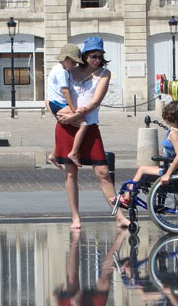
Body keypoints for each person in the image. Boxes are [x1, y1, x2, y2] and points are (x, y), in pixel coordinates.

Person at [54, 37, 130, 230]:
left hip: (89, 125)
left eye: (99, 56)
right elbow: (56, 91)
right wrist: (59, 113)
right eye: (92, 55)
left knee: (103, 172)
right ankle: (76, 217)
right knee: (71, 173)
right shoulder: (70, 70)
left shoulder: (104, 74)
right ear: (85, 56)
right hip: (68, 126)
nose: (96, 59)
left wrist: (76, 116)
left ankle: (119, 216)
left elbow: (95, 102)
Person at [113, 100, 178, 207]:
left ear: (171, 116)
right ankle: (127, 196)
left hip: (170, 169)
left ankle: (126, 197)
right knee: (145, 168)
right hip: (169, 165)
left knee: (142, 169)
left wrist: (168, 175)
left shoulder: (174, 134)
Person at [47, 44, 89, 169]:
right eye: (73, 62)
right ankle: (73, 153)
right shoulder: (62, 73)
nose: (75, 66)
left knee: (63, 126)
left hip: (54, 103)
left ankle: (53, 155)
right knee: (83, 124)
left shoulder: (56, 68)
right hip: (59, 104)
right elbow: (65, 91)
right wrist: (74, 110)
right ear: (66, 59)